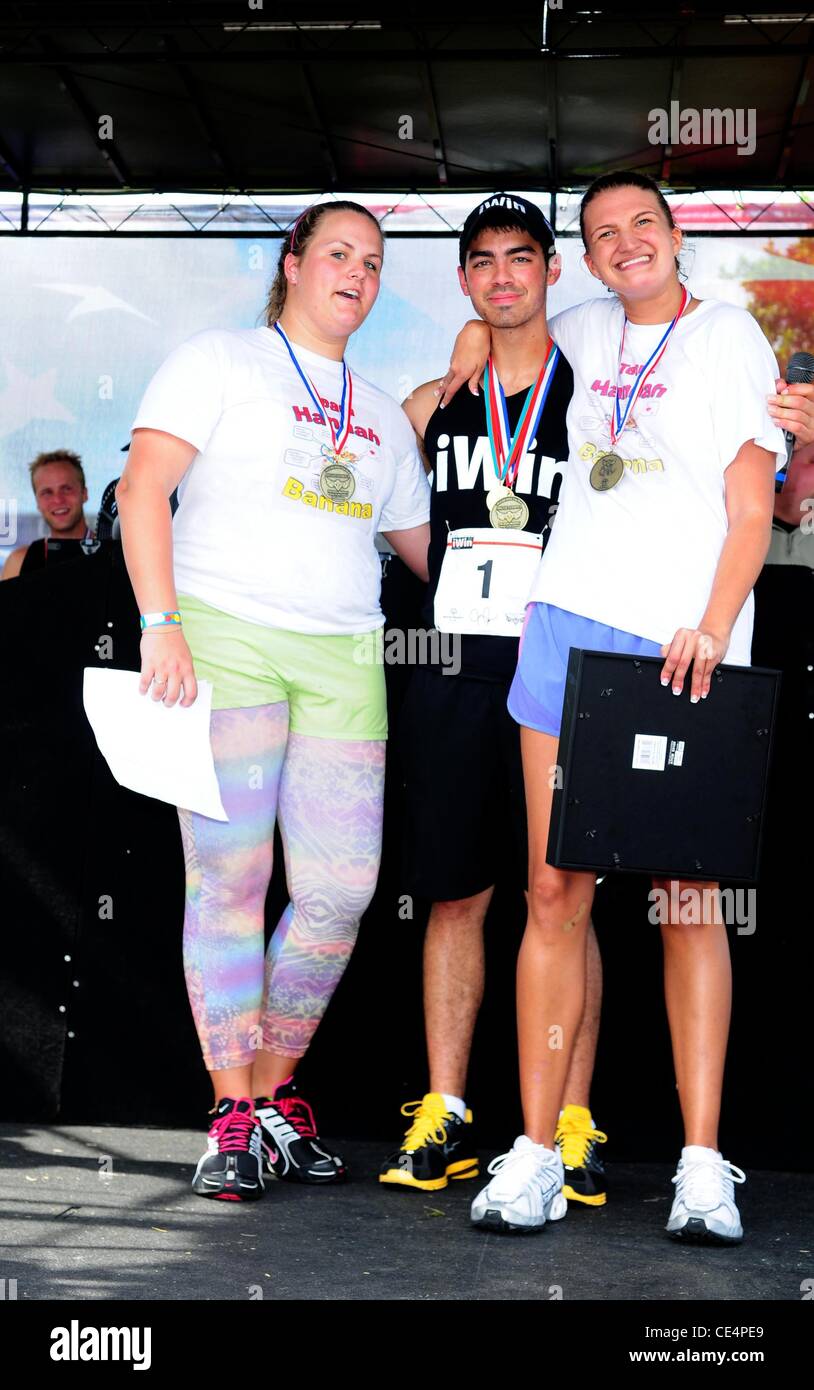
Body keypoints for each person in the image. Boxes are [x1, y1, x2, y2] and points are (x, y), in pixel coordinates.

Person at [443, 172, 787, 1242]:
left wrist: (712, 621)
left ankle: (698, 1164)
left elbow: (751, 507)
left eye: (644, 223)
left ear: (677, 236)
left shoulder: (730, 339)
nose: (626, 242)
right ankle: (535, 1152)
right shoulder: (581, 326)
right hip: (564, 628)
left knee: (687, 902)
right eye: (604, 233)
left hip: (684, 644)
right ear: (583, 259)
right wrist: (464, 346)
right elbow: (495, 321)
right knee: (553, 892)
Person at [116, 202, 431, 1202]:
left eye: (373, 263)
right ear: (291, 265)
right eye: (337, 253)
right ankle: (231, 1114)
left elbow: (434, 555)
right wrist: (160, 621)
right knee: (232, 880)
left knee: (339, 886)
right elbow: (139, 490)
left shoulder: (382, 414)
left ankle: (271, 1091)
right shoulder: (219, 358)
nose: (356, 272)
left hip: (343, 650)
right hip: (224, 635)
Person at [378, 195, 609, 1210]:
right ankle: (446, 1111)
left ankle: (568, 1117)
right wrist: (451, 584)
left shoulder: (595, 386)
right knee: (456, 888)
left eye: (523, 257)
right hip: (457, 664)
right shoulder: (434, 400)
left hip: (564, 662)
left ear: (553, 271)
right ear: (465, 280)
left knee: (561, 893)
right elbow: (394, 517)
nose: (504, 276)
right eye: (484, 263)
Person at [3, 450, 93, 579]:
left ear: (84, 494)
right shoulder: (19, 562)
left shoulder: (114, 553)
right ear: (37, 502)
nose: (58, 500)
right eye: (47, 492)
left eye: (66, 489)